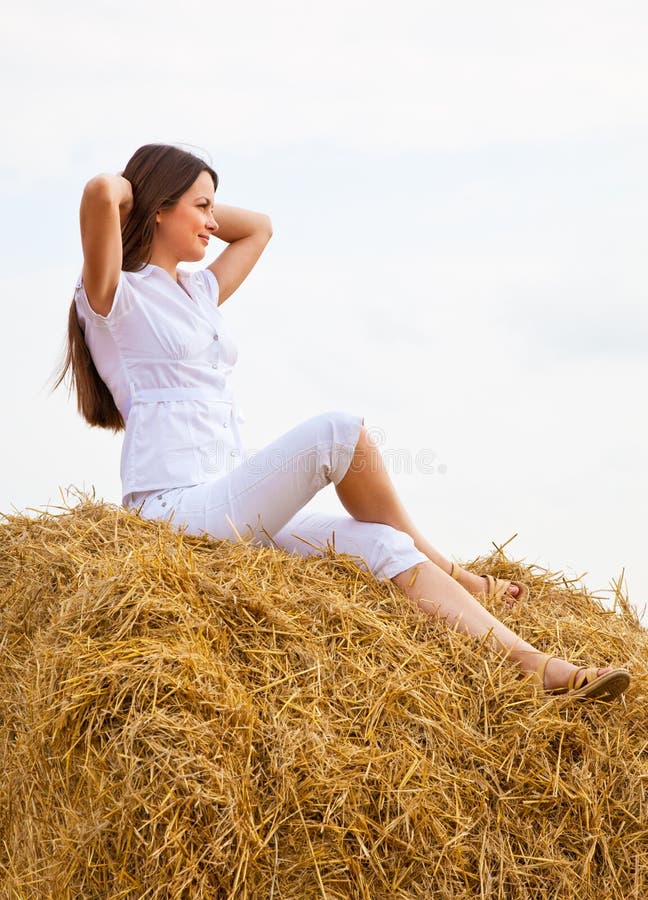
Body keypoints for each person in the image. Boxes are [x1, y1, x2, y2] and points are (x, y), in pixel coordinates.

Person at [54, 143, 630, 703]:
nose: (212, 222)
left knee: (380, 542)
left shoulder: (200, 291)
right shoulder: (113, 299)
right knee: (338, 432)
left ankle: (542, 669)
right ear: (157, 208)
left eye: (212, 207)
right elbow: (102, 192)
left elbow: (260, 227)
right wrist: (147, 186)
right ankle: (451, 568)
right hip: (174, 512)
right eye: (201, 207)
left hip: (231, 499)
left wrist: (186, 196)